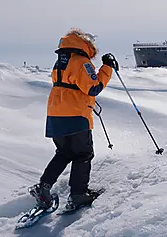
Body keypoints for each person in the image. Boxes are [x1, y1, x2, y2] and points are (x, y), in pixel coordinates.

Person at [29, 28, 119, 210]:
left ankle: (43, 187)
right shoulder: (81, 61)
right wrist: (107, 67)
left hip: (56, 114)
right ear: (86, 44)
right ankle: (78, 195)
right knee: (83, 154)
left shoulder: (61, 61)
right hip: (76, 114)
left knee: (64, 152)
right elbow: (93, 88)